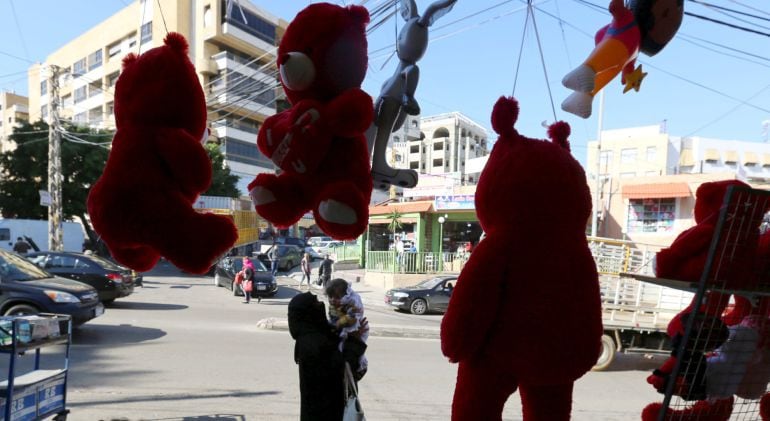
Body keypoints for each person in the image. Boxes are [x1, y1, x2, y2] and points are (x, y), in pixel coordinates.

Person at [288, 292, 367, 421]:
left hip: (322, 408)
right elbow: (340, 369)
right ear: (309, 312)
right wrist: (355, 342)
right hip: (326, 411)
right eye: (316, 302)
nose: (321, 304)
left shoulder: (312, 333)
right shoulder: (313, 342)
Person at [326, 278, 369, 379]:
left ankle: (360, 364)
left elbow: (353, 318)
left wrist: (338, 324)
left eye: (336, 297)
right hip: (347, 336)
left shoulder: (350, 304)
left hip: (353, 329)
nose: (332, 300)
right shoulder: (334, 307)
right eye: (330, 297)